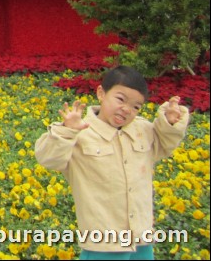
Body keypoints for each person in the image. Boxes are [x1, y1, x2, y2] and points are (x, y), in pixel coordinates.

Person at [34, 65, 190, 260]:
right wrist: (66, 130)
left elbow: (164, 144)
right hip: (104, 243)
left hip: (141, 237)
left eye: (136, 106)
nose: (126, 109)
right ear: (101, 93)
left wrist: (170, 121)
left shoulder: (142, 129)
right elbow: (48, 158)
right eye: (120, 99)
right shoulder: (81, 134)